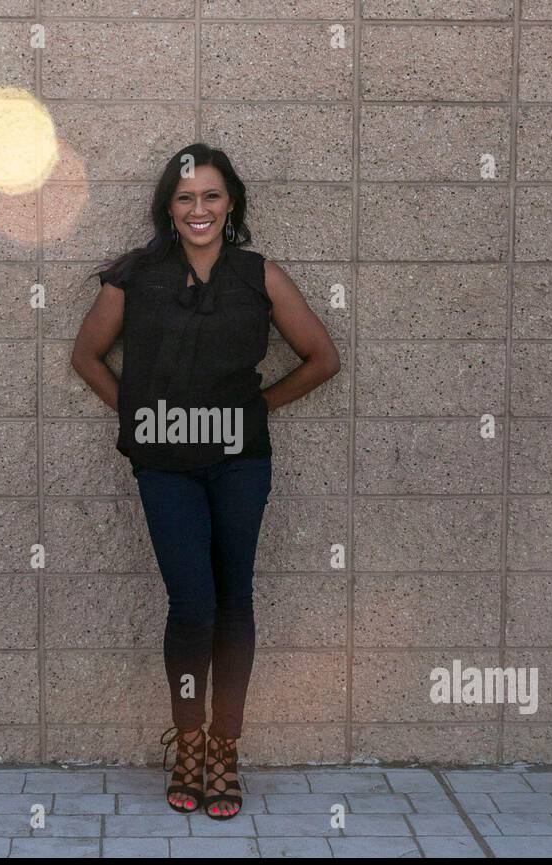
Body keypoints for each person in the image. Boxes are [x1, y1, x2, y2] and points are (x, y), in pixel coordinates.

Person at [70, 144, 340, 819]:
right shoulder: (132, 277)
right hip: (165, 467)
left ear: (232, 204)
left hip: (240, 462)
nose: (200, 209)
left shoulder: (259, 276)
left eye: (212, 196)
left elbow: (322, 357)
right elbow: (87, 355)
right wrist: (142, 419)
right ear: (169, 205)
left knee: (234, 602)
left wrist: (255, 410)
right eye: (187, 197)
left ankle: (225, 748)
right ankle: (187, 742)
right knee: (192, 606)